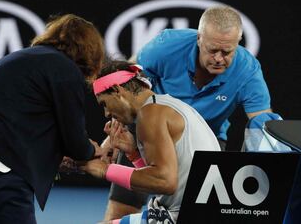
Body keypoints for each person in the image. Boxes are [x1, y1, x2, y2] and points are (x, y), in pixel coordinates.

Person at [104, 5, 274, 220]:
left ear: (238, 43)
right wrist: (112, 136)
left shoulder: (248, 70)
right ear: (199, 39)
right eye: (213, 50)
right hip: (149, 138)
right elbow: (124, 89)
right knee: (121, 212)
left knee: (193, 218)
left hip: (204, 145)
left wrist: (271, 171)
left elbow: (262, 124)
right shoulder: (166, 47)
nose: (219, 58)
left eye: (227, 51)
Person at [0, 14, 105, 224]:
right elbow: (75, 142)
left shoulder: (22, 58)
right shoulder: (66, 69)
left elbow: (21, 123)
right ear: (90, 50)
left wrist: (55, 157)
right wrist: (93, 151)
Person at [80, 61, 221, 223]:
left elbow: (165, 182)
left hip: (182, 216)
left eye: (104, 104)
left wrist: (105, 170)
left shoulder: (151, 113)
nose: (106, 113)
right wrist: (134, 155)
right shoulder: (165, 105)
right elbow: (163, 183)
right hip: (198, 213)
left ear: (118, 91)